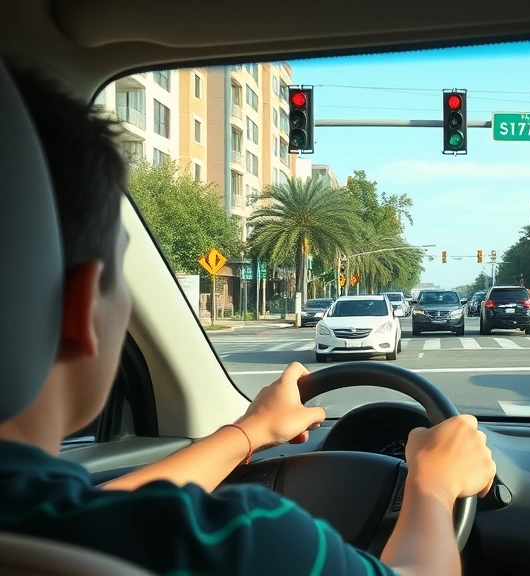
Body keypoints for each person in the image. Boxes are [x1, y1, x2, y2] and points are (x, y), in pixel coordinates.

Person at [0, 64, 496, 576]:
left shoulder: (52, 523)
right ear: (81, 309)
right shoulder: (241, 543)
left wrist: (250, 431)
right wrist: (433, 486)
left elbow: (110, 503)